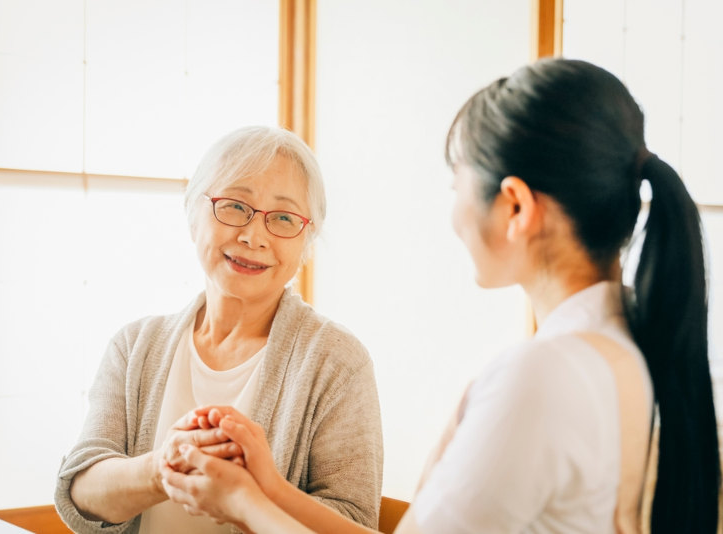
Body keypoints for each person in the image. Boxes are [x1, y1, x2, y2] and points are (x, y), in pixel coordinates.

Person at [155, 58, 721, 533]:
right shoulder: (623, 344)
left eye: (458, 187)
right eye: (234, 206)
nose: (452, 216)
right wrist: (272, 489)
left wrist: (239, 502)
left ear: (515, 207)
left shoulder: (541, 376)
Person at [54, 126, 384, 533]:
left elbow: (355, 520)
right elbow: (81, 491)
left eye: (283, 217)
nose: (253, 236)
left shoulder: (338, 362)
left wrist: (253, 495)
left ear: (307, 238)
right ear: (194, 214)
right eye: (233, 206)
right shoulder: (135, 345)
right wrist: (162, 467)